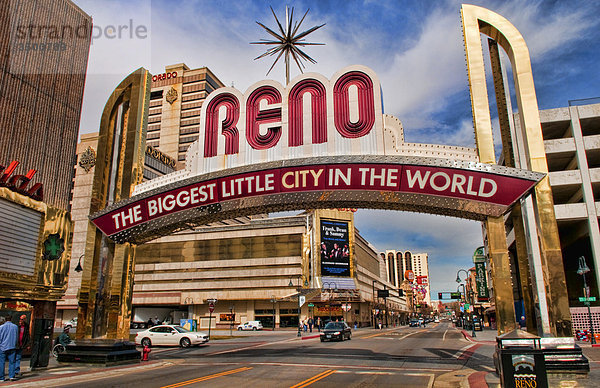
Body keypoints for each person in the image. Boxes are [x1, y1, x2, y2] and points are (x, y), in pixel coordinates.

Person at [0, 315, 19, 382]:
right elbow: (16, 337)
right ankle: (11, 376)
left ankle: (1, 377)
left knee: (2, 362)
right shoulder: (15, 327)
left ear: (5, 319)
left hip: (2, 347)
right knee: (12, 362)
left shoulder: (1, 327)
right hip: (12, 346)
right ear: (11, 319)